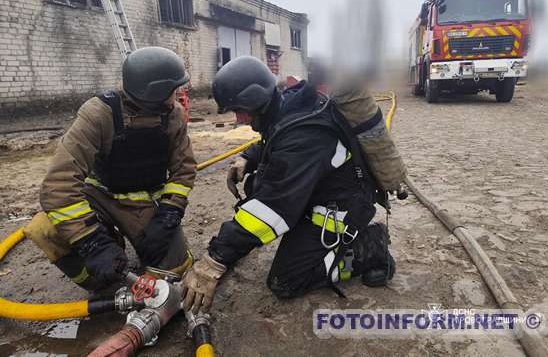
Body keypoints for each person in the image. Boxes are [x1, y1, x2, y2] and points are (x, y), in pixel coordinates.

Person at [182, 56, 395, 315]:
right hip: (320, 193)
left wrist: (214, 261)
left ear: (255, 101)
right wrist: (248, 157)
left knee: (286, 281)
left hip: (342, 208)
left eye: (239, 109)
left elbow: (272, 208)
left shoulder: (304, 136)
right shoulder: (290, 103)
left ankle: (370, 249)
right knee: (256, 185)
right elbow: (276, 136)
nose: (238, 118)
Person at [25, 47, 196, 291]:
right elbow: (59, 185)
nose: (177, 95)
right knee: (44, 229)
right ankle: (101, 283)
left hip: (145, 204)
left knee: (175, 271)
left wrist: (170, 211)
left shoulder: (173, 115)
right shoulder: (99, 114)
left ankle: (124, 252)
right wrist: (91, 241)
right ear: (155, 91)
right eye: (174, 89)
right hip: (101, 198)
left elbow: (184, 168)